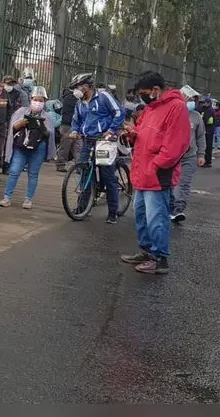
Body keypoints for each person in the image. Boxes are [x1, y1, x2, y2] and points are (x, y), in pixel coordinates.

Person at [120, 71, 190, 275]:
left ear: (156, 90)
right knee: (141, 215)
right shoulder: (151, 108)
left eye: (144, 93)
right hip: (143, 172)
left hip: (157, 174)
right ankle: (147, 251)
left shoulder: (176, 108)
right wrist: (132, 135)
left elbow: (176, 145)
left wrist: (156, 166)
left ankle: (160, 258)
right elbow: (142, 134)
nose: (142, 97)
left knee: (156, 217)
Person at [69, 72, 125, 224]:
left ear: (87, 86)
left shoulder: (103, 97)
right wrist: (74, 130)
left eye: (78, 87)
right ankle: (82, 208)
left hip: (104, 142)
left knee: (108, 176)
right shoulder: (80, 103)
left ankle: (113, 212)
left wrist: (111, 130)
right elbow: (76, 120)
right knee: (84, 173)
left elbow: (119, 112)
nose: (76, 90)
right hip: (87, 141)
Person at [0, 87, 55, 209]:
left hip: (38, 147)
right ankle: (7, 197)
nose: (38, 103)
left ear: (44, 101)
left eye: (41, 100)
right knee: (14, 171)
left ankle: (28, 199)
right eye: (36, 99)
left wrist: (42, 128)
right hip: (21, 146)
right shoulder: (21, 111)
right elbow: (13, 128)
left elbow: (50, 135)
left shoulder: (48, 117)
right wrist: (21, 123)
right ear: (31, 99)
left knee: (33, 173)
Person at [170, 85, 206, 224]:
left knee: (184, 184)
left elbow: (201, 136)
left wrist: (201, 155)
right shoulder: (173, 113)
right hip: (172, 157)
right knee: (171, 184)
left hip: (189, 157)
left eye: (193, 99)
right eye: (189, 98)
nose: (192, 101)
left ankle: (178, 210)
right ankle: (169, 207)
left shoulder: (196, 117)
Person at [56, 85, 81, 172]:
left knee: (78, 147)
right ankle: (60, 165)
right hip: (68, 125)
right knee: (65, 146)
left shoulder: (76, 99)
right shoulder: (69, 98)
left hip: (76, 126)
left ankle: (79, 166)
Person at [199, 97, 216, 167]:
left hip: (208, 130)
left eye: (205, 102)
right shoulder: (204, 109)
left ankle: (207, 161)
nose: (204, 103)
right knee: (205, 146)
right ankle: (206, 161)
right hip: (206, 129)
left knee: (207, 146)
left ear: (209, 103)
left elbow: (206, 119)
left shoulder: (210, 110)